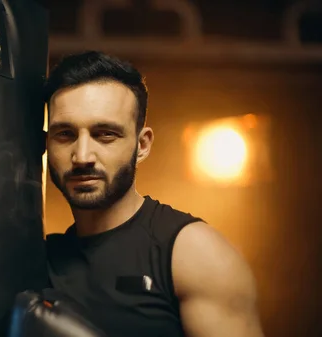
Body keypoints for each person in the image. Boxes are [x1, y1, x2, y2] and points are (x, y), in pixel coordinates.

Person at [40, 51, 265, 337]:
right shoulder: (41, 261)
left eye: (105, 134)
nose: (82, 156)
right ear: (47, 144)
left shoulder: (192, 253)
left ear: (142, 145)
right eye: (65, 135)